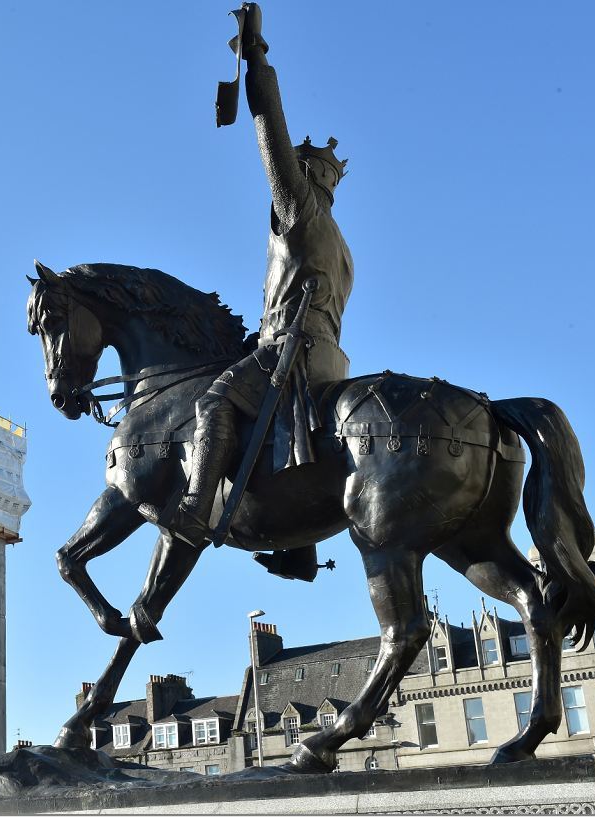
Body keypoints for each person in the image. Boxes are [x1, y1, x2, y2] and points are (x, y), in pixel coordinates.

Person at [148, 3, 354, 549]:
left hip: (291, 353)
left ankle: (194, 508)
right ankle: (296, 551)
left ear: (306, 176)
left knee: (214, 401)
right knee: (288, 436)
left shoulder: (298, 211)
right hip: (330, 359)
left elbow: (269, 128)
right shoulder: (342, 245)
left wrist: (255, 51)